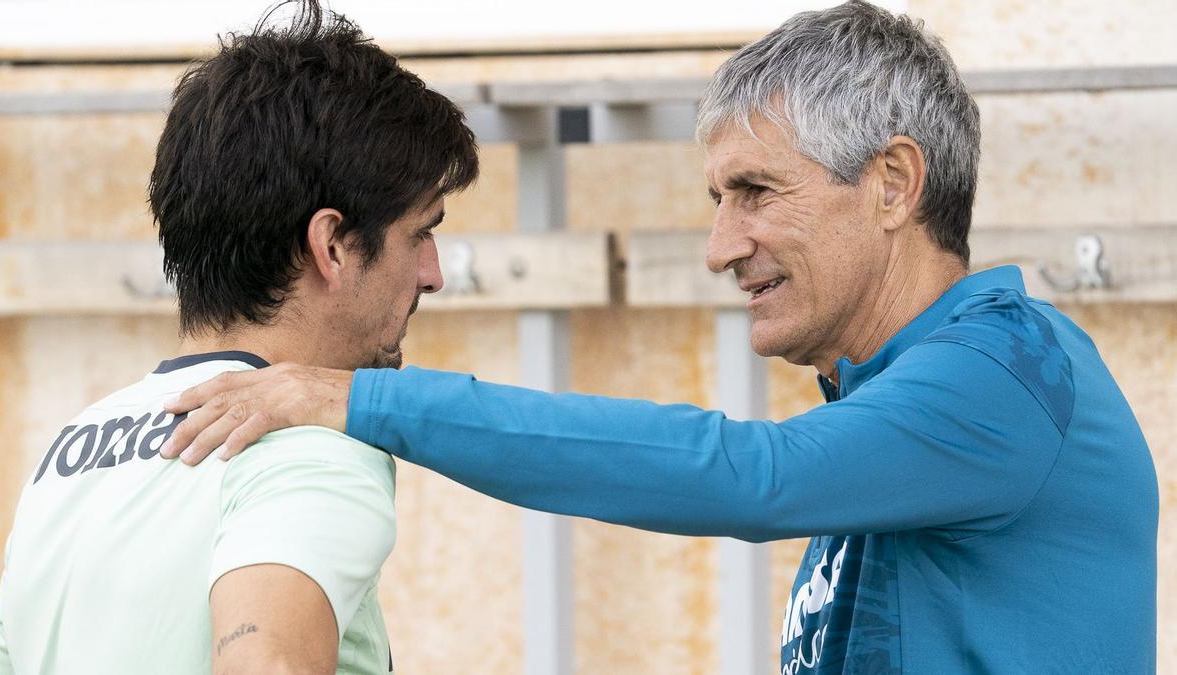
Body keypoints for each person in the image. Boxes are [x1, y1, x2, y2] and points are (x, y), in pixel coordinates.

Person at [159, 1, 1158, 672]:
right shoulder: (893, 395)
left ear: (894, 183)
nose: (723, 245)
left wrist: (355, 399)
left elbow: (747, 475)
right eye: (718, 200)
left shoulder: (1005, 370)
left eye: (756, 193)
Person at [0, 1, 478, 673]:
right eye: (421, 232)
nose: (433, 273)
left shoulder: (68, 454)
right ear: (331, 244)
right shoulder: (310, 441)